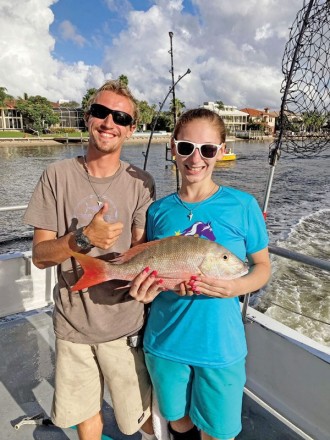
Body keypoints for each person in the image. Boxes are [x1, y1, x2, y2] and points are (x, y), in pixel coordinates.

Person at [23, 80, 157, 440]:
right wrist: (83, 239)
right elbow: (39, 256)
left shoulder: (141, 183)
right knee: (86, 418)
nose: (108, 121)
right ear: (87, 118)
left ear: (130, 129)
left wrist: (151, 286)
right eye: (100, 112)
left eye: (120, 116)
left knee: (138, 419)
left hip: (126, 324)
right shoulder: (56, 176)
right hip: (73, 325)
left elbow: (142, 251)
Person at [129, 108, 271, 440]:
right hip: (165, 341)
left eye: (207, 149)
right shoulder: (158, 210)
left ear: (221, 150)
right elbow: (151, 268)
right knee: (177, 421)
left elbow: (262, 267)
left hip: (220, 347)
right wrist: (146, 290)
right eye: (186, 147)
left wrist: (233, 287)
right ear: (172, 148)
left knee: (217, 432)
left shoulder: (243, 205)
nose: (196, 158)